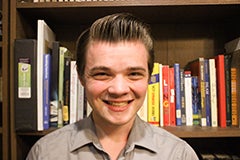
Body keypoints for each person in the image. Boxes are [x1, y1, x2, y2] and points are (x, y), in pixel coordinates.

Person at [27, 13, 199, 160]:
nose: (118, 89)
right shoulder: (45, 153)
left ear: (149, 77)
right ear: (80, 77)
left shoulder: (179, 154)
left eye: (134, 74)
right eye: (102, 74)